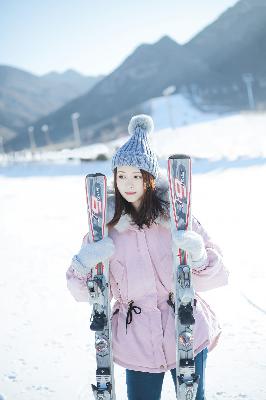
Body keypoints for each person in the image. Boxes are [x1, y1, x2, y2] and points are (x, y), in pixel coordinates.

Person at [66, 115, 229, 400]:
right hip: (135, 339)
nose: (128, 183)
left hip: (186, 328)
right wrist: (83, 262)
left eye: (137, 175)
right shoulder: (105, 229)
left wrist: (199, 255)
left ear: (150, 179)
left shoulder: (178, 220)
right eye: (121, 175)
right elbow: (81, 293)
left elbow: (217, 276)